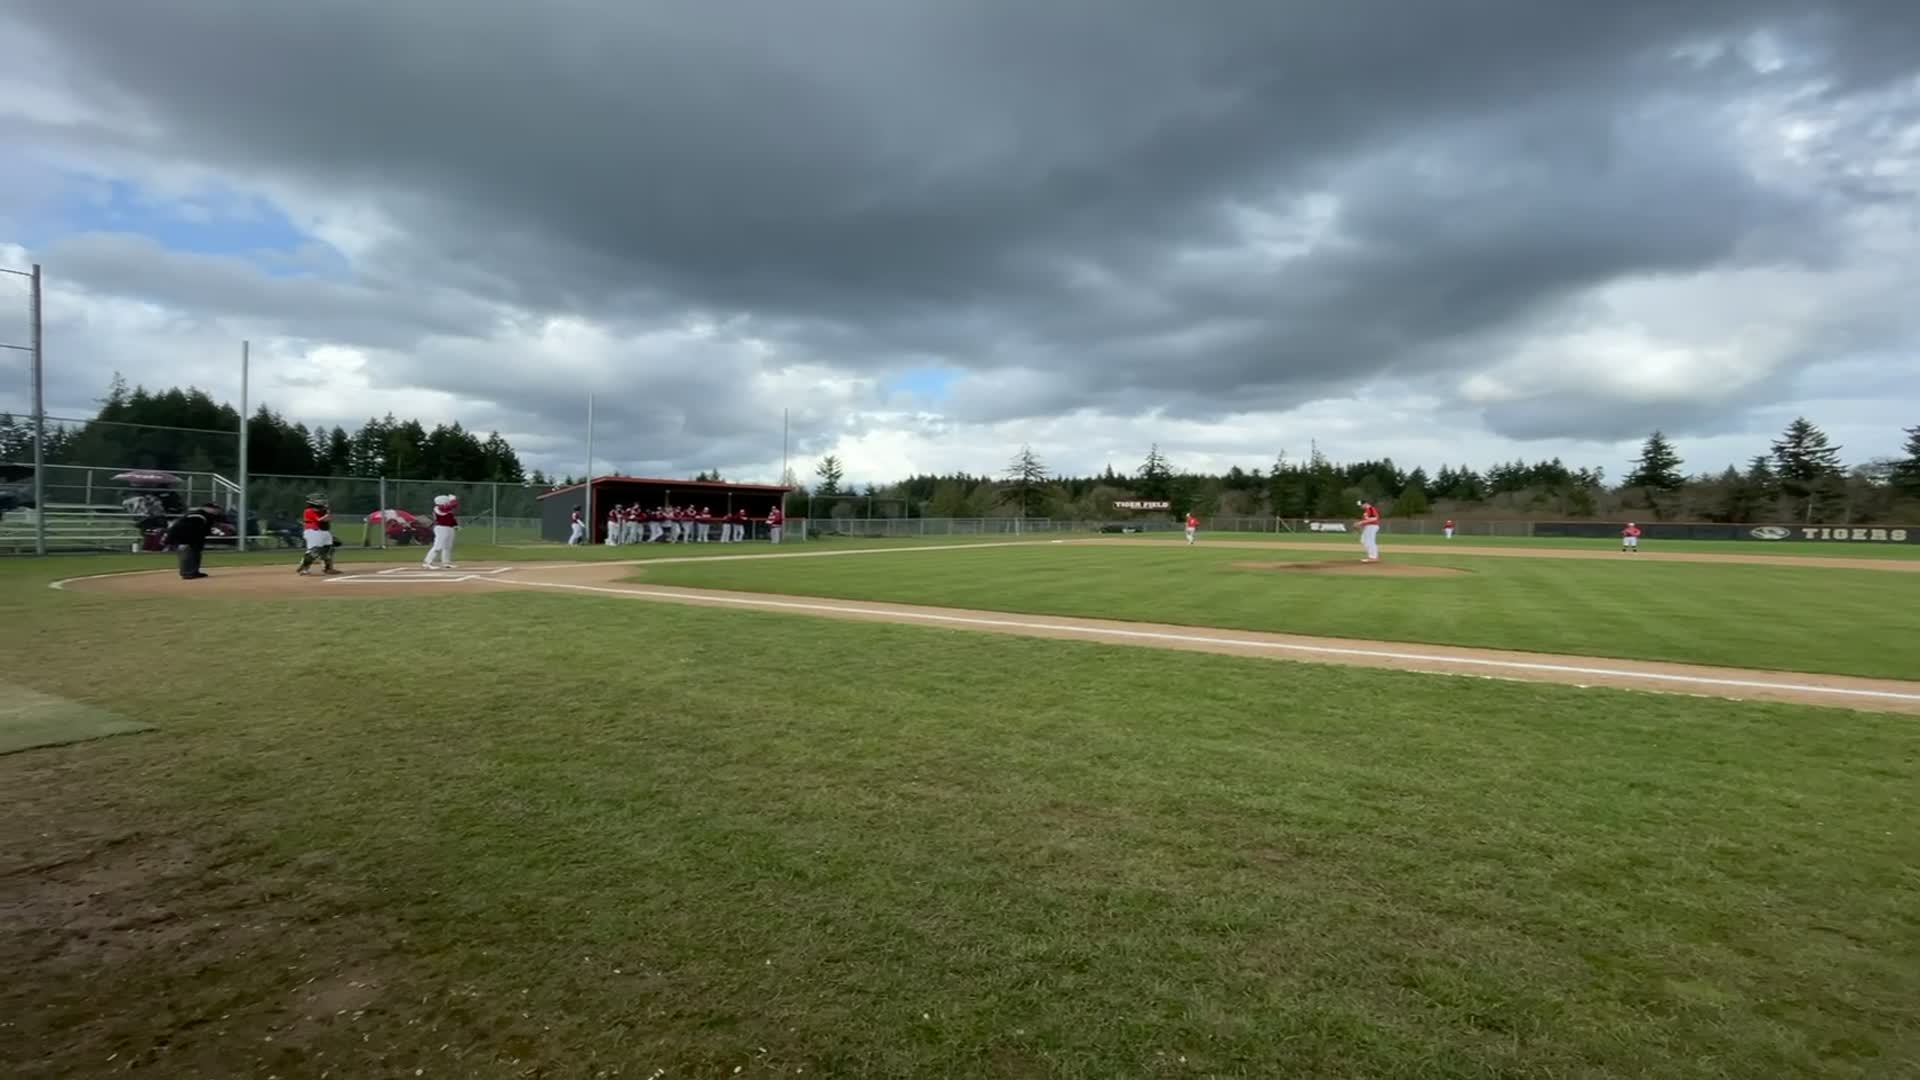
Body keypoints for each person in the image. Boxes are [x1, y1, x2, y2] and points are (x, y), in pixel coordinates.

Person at [164, 503, 224, 579]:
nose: (216, 510)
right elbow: (187, 529)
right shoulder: (197, 515)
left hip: (193, 537)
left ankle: (194, 572)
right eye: (214, 508)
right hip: (183, 537)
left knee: (196, 553)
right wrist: (184, 541)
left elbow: (203, 530)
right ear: (206, 508)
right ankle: (187, 573)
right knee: (188, 553)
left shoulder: (207, 516)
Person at [297, 493, 341, 575]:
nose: (323, 501)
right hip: (313, 532)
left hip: (324, 531)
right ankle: (303, 567)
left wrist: (327, 514)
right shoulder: (308, 510)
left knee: (328, 550)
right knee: (315, 550)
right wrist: (327, 515)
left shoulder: (323, 510)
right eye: (319, 499)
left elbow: (328, 519)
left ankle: (327, 568)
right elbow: (320, 520)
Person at [424, 494, 459, 569]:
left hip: (449, 528)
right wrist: (453, 500)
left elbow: (450, 518)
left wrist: (455, 525)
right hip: (441, 528)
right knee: (438, 546)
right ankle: (428, 562)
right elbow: (453, 505)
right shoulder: (439, 508)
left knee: (447, 546)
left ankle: (446, 562)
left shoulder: (447, 508)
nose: (448, 501)